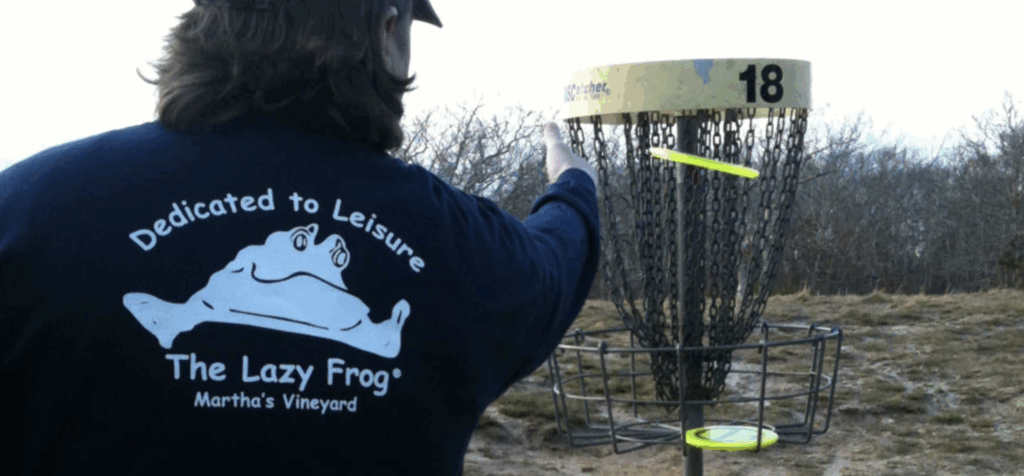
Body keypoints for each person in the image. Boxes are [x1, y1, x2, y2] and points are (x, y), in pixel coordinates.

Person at [0, 0, 599, 474]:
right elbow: (555, 260)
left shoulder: (25, 209)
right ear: (387, 30)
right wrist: (573, 184)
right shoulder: (462, 246)